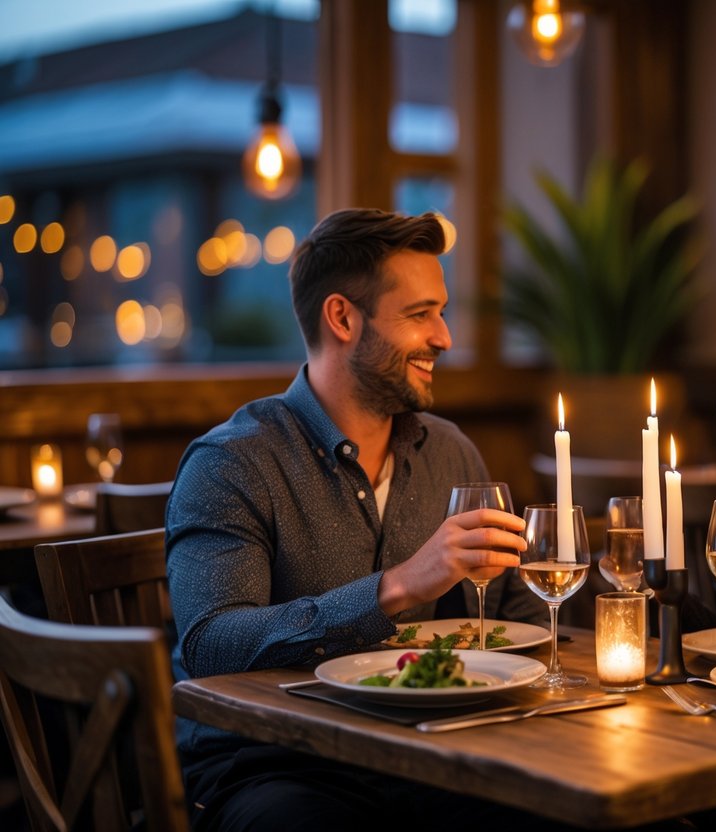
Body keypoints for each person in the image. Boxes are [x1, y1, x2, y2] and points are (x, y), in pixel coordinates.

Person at [166, 208, 549, 830]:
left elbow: (520, 616)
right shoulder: (232, 462)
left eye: (442, 312)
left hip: (436, 754)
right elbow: (214, 644)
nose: (445, 337)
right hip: (275, 767)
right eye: (420, 314)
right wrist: (397, 587)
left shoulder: (452, 454)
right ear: (343, 318)